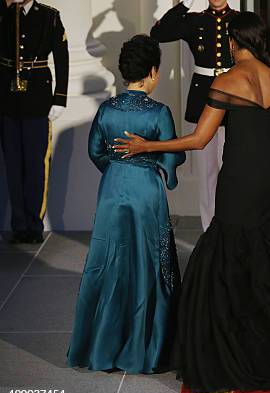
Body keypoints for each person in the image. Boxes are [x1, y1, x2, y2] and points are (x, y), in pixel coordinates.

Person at [115, 12, 270, 393]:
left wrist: (148, 145)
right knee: (269, 253)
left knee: (230, 250)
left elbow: (199, 140)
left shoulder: (226, 81)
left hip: (240, 179)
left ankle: (232, 346)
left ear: (237, 42)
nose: (229, 47)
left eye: (231, 42)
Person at [67, 35, 185, 373]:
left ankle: (101, 349)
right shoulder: (159, 112)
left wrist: (116, 170)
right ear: (151, 72)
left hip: (112, 190)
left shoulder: (106, 109)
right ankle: (147, 349)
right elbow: (171, 155)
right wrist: (164, 172)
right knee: (151, 263)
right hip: (145, 191)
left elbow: (95, 151)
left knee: (109, 261)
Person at [151, 0, 237, 231]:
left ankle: (231, 225)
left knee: (231, 168)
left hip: (234, 98)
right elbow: (159, 33)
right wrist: (184, 4)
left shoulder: (239, 20)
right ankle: (210, 227)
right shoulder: (195, 20)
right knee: (207, 171)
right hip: (203, 99)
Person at [0, 0, 68, 244]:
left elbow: (62, 58)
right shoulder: (5, 12)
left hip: (37, 99)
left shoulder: (49, 16)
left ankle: (34, 224)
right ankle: (18, 224)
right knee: (13, 165)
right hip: (7, 100)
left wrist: (60, 98)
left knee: (36, 165)